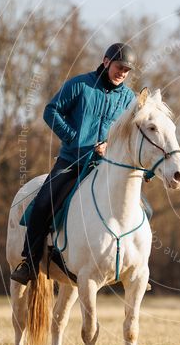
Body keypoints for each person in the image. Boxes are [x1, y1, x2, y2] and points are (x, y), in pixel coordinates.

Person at [10, 43, 137, 285]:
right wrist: (74, 139)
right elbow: (51, 111)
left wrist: (110, 146)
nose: (123, 73)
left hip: (107, 167)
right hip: (72, 161)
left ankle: (136, 266)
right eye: (120, 67)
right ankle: (29, 263)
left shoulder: (129, 99)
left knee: (143, 209)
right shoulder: (79, 84)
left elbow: (128, 134)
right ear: (106, 61)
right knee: (42, 205)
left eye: (127, 70)